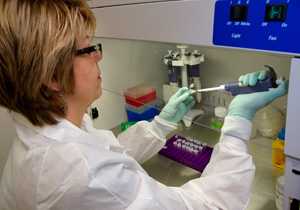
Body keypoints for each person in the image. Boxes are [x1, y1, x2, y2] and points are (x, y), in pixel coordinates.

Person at [0, 1, 288, 210]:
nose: (98, 57)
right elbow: (208, 205)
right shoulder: (83, 175)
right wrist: (238, 120)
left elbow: (107, 152)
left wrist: (161, 123)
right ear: (51, 75)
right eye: (88, 48)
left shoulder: (42, 134)